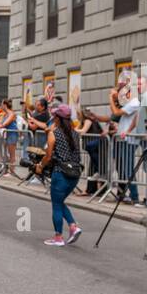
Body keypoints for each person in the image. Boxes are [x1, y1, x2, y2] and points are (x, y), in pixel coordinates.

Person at [35, 102, 84, 247]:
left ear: (57, 118)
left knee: (56, 205)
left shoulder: (54, 134)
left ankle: (58, 237)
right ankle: (73, 227)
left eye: (54, 115)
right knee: (60, 201)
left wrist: (40, 166)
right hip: (74, 174)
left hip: (60, 173)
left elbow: (48, 155)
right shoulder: (75, 133)